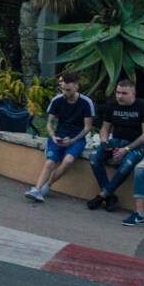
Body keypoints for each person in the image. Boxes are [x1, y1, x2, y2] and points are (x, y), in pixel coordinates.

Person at [25, 71, 95, 202]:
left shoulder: (86, 102)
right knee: (50, 162)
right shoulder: (57, 100)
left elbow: (87, 128)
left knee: (68, 161)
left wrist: (72, 140)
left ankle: (47, 186)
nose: (64, 92)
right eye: (62, 89)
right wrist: (53, 136)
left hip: (76, 139)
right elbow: (50, 123)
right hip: (59, 136)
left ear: (76, 87)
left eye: (68, 90)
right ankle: (36, 189)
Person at [87, 79, 144, 211]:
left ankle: (102, 196)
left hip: (136, 145)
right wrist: (104, 139)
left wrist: (126, 149)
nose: (120, 96)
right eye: (118, 93)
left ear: (133, 93)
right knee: (94, 157)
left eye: (124, 93)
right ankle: (110, 196)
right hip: (116, 141)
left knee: (126, 165)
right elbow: (105, 128)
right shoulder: (112, 106)